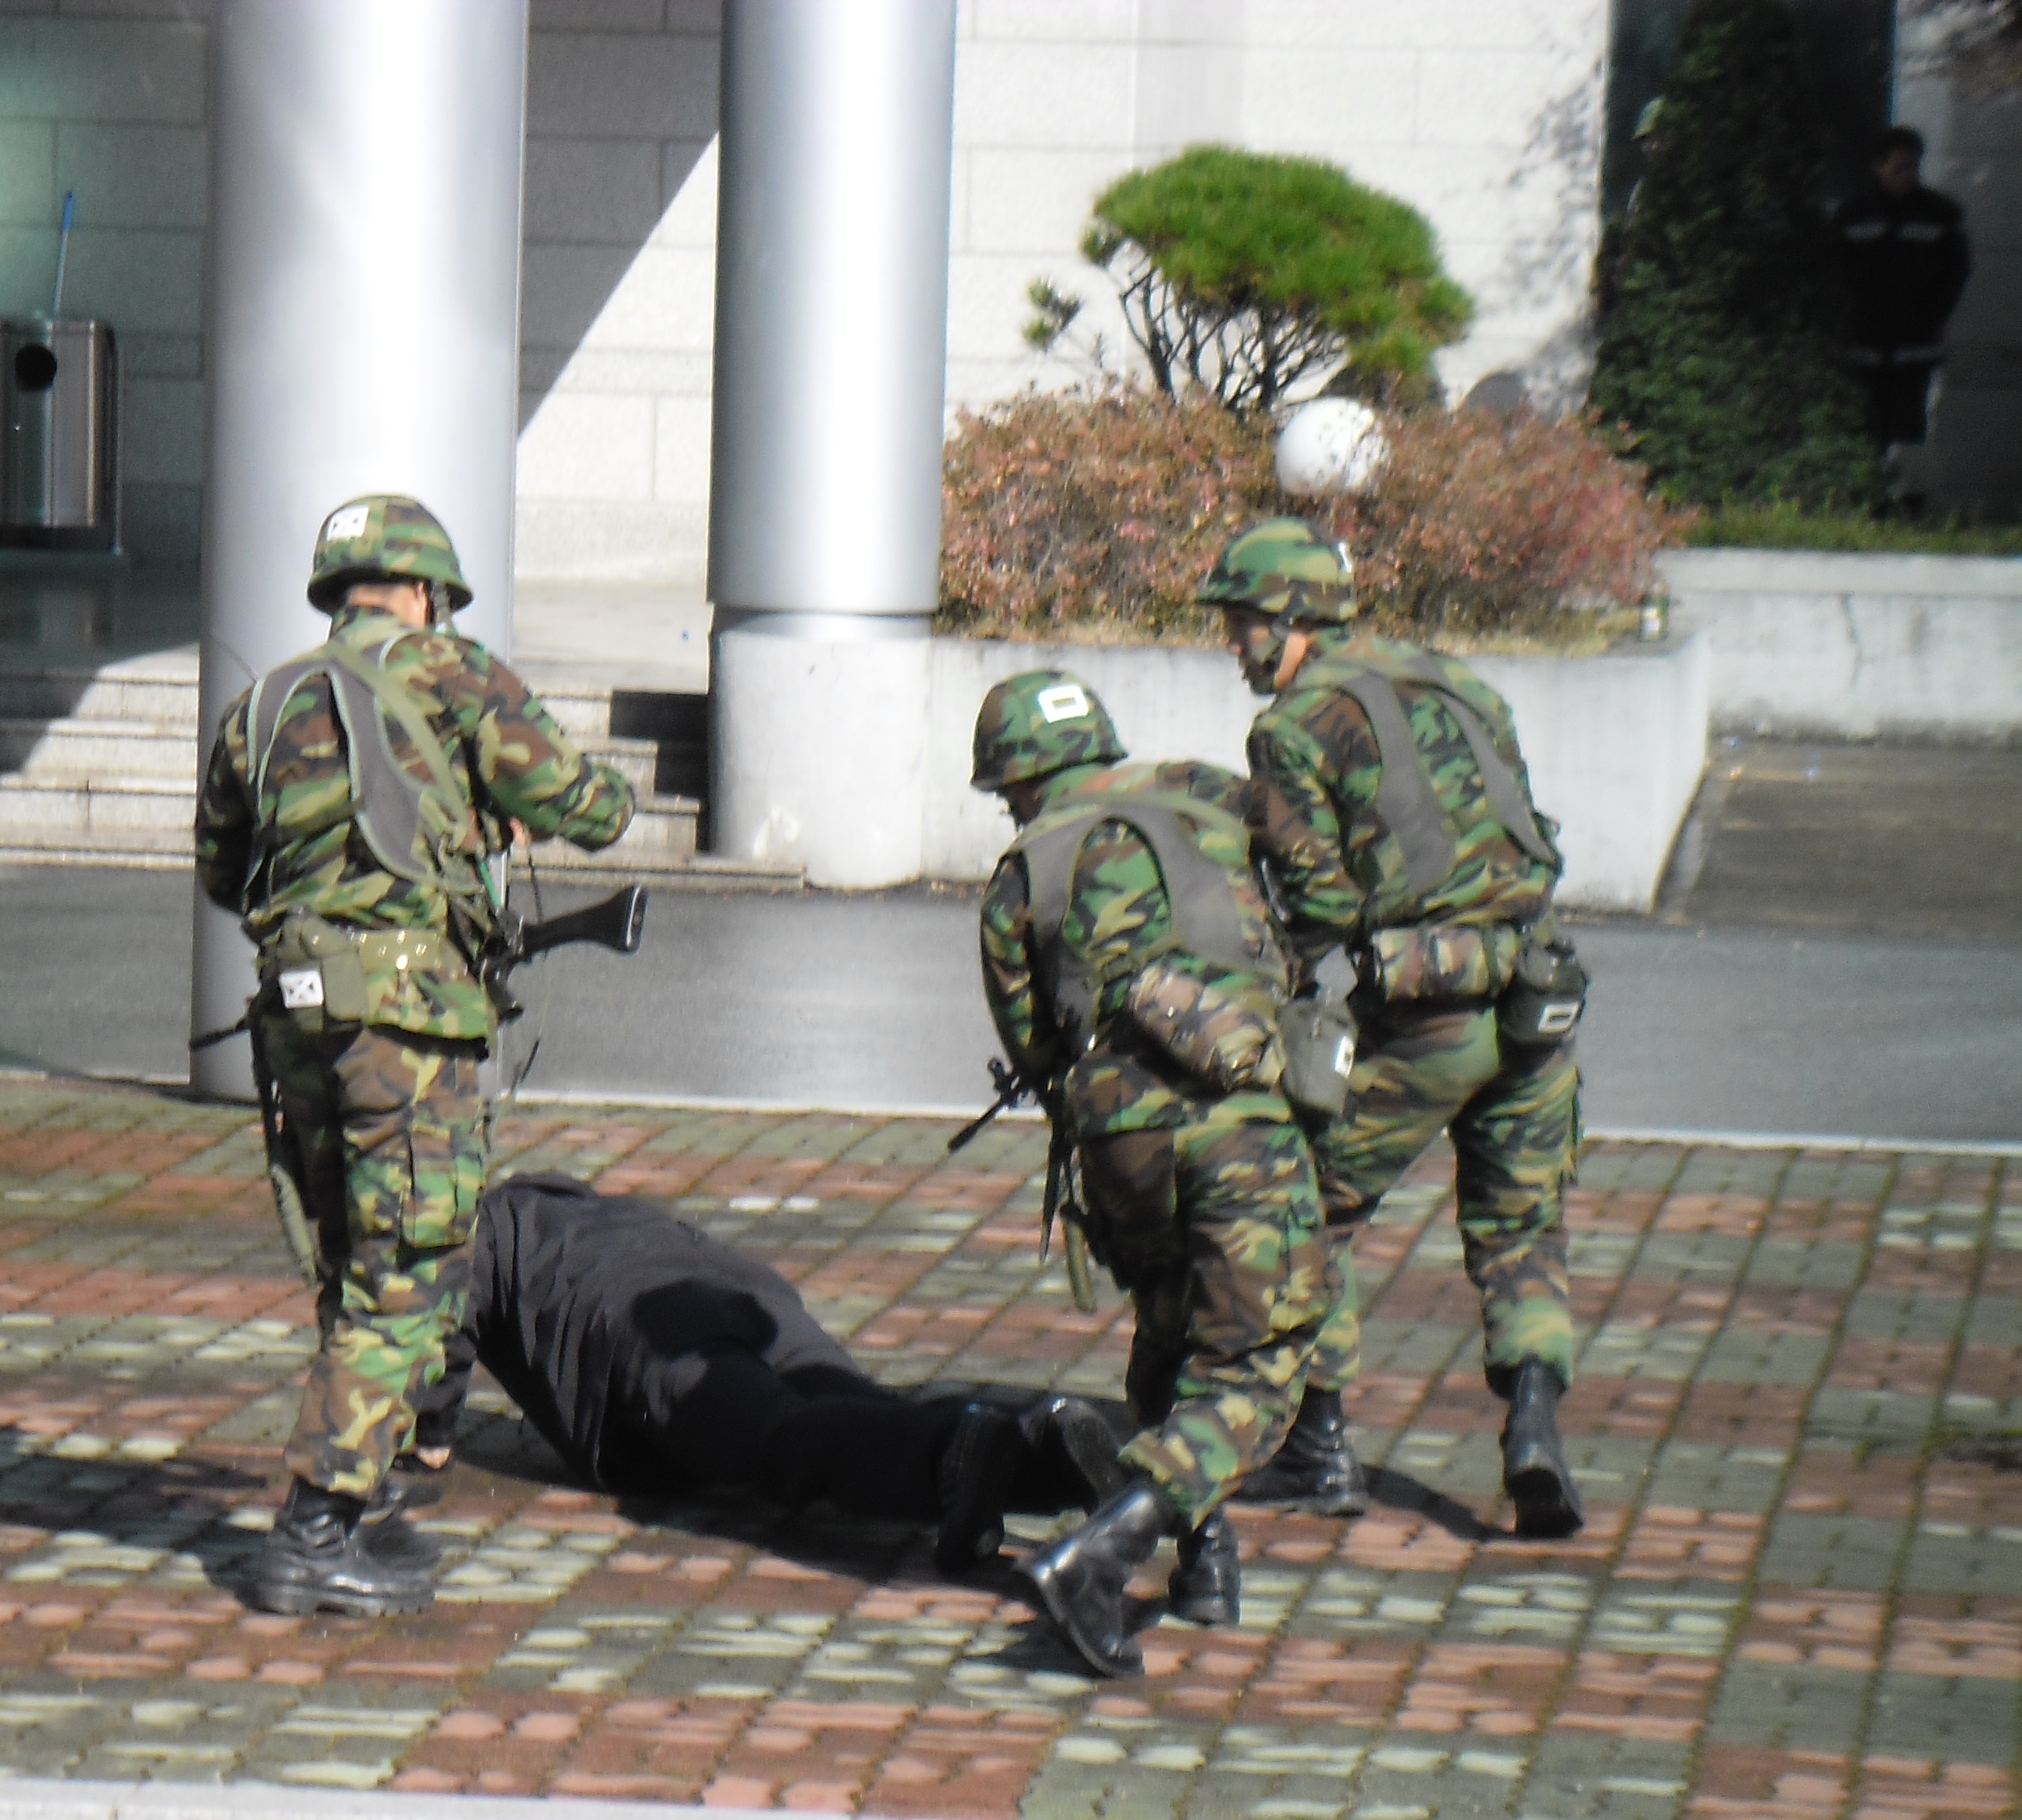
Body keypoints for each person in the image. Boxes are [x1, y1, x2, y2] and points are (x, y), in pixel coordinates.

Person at [193, 494, 636, 1618]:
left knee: (352, 1254)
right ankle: (313, 1531)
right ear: (428, 594)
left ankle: (370, 1488)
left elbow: (222, 872)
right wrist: (510, 811)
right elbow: (589, 808)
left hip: (294, 1014)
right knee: (408, 1265)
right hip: (403, 1024)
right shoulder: (453, 673)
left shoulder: (261, 703)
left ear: (336, 595)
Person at [1198, 518, 1589, 1539]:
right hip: (1540, 993)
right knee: (1521, 1226)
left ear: (1288, 618)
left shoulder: (1293, 729)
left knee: (1302, 1203)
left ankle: (1318, 1448)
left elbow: (1322, 905)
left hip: (1427, 1016)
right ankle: (1533, 1422)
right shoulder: (1458, 681)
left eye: (1239, 621)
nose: (1231, 643)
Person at [970, 668, 1327, 1677]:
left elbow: (1035, 1048)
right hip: (1241, 1120)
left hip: (1119, 1142)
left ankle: (1205, 1566)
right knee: (1261, 1358)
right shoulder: (1207, 793)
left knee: (1171, 1329)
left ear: (1017, 780)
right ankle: (1103, 1550)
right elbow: (1319, 881)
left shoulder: (1018, 876)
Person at [411, 1173, 1123, 1545]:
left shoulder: (470, 1229)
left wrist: (432, 1432)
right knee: (857, 1405)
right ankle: (1042, 1455)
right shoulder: (574, 1204)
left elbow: (446, 1323)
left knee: (785, 1440)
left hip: (643, 1336)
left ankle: (963, 1451)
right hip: (737, 1292)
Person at [1837, 125, 1971, 478]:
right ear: (1878, 167)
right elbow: (1835, 272)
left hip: (1916, 343)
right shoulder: (1853, 214)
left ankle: (1909, 497)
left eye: (1913, 167)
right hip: (1865, 343)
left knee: (1910, 426)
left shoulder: (1941, 214)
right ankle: (1869, 492)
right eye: (1899, 168)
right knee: (1867, 425)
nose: (1908, 176)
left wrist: (1938, 315)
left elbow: (1956, 271)